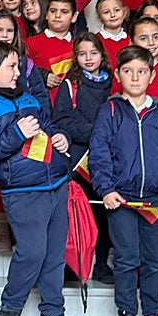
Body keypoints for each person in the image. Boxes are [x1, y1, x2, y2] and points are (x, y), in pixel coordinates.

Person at [0, 40, 87, 316]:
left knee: (55, 255)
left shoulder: (27, 96)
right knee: (32, 252)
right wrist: (17, 133)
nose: (18, 72)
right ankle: (10, 309)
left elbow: (48, 125)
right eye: (12, 67)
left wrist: (60, 137)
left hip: (56, 183)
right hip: (22, 190)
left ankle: (53, 315)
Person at [89, 45, 158, 316]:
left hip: (157, 200)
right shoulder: (109, 111)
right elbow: (99, 154)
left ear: (152, 75)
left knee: (155, 260)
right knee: (125, 258)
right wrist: (106, 189)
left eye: (142, 71)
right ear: (118, 75)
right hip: (121, 199)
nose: (135, 77)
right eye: (128, 71)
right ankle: (127, 315)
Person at [50, 33, 114, 284]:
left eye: (93, 53)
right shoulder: (70, 84)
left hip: (108, 159)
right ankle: (73, 264)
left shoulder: (114, 83)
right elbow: (62, 120)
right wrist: (97, 132)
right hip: (78, 160)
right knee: (77, 213)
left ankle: (101, 264)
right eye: (82, 54)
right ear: (75, 57)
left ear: (102, 55)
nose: (88, 58)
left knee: (104, 213)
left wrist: (102, 136)